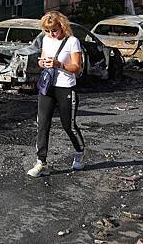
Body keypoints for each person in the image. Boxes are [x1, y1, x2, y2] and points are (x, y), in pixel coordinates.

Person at [27, 11, 85, 177]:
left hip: (66, 87)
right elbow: (43, 58)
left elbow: (77, 68)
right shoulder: (46, 39)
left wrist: (59, 64)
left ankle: (80, 151)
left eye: (54, 30)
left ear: (62, 27)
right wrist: (42, 62)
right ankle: (41, 162)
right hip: (48, 87)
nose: (51, 34)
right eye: (47, 31)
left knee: (68, 125)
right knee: (42, 123)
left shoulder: (73, 42)